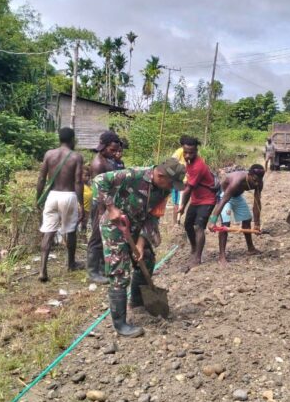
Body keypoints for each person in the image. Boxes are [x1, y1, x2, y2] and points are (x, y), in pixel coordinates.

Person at [95, 158, 185, 337]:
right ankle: (120, 325)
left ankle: (136, 302)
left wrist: (141, 244)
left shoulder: (164, 189)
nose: (172, 187)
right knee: (119, 272)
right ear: (160, 175)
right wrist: (111, 207)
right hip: (115, 226)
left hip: (137, 227)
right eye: (171, 182)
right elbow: (99, 180)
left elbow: (152, 217)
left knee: (148, 259)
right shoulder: (133, 175)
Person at [35, 127, 85, 282]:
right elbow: (78, 181)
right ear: (72, 140)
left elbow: (42, 178)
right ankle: (71, 263)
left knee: (49, 231)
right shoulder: (76, 157)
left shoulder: (49, 154)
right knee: (70, 230)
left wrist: (38, 198)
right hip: (68, 195)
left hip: (52, 196)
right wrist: (81, 203)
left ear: (59, 139)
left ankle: (43, 270)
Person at [208, 164, 264, 265]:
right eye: (255, 180)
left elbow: (257, 203)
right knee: (225, 224)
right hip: (224, 196)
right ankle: (222, 256)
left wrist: (257, 223)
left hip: (237, 197)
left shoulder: (259, 183)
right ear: (249, 175)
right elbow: (224, 200)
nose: (256, 183)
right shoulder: (237, 181)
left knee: (247, 219)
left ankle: (251, 248)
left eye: (259, 181)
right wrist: (213, 221)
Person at [86, 130, 122, 284]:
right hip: (100, 204)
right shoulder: (99, 164)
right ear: (104, 147)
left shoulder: (107, 160)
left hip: (106, 203)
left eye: (116, 150)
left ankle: (101, 268)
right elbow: (100, 190)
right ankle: (93, 272)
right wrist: (102, 211)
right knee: (96, 237)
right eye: (112, 150)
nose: (114, 153)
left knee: (102, 237)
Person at [177, 136, 217, 270]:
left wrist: (182, 205)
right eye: (186, 152)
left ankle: (197, 258)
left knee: (199, 227)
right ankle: (194, 247)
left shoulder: (198, 166)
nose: (188, 155)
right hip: (196, 199)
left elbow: (188, 188)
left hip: (207, 200)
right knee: (188, 224)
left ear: (196, 151)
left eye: (191, 152)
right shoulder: (188, 162)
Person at [170, 142, 187, 226]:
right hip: (178, 180)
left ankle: (177, 221)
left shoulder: (187, 152)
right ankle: (175, 222)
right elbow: (172, 160)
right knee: (177, 202)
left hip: (183, 180)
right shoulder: (181, 151)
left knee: (180, 202)